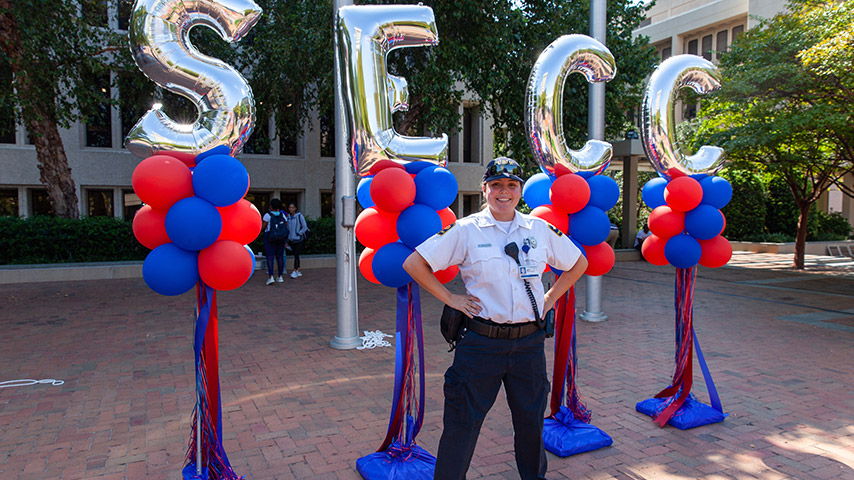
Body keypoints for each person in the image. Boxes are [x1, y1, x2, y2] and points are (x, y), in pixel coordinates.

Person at [403, 157, 588, 480]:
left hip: (528, 345)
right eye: (496, 185)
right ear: (485, 189)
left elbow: (578, 263)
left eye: (512, 185)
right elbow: (414, 264)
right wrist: (452, 299)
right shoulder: (465, 230)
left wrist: (548, 299)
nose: (504, 192)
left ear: (520, 191)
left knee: (531, 425)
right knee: (462, 426)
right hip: (480, 345)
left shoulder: (539, 228)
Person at [261, 198, 288, 285]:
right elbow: (286, 227)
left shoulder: (267, 215)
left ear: (271, 206)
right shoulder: (283, 215)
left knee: (270, 257)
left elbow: (263, 227)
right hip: (281, 239)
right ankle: (280, 276)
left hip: (270, 238)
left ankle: (271, 276)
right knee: (280, 257)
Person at [285, 202, 309, 278]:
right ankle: (298, 269)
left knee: (296, 255)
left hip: (299, 239)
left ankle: (295, 270)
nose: (291, 209)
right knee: (295, 255)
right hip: (291, 239)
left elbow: (305, 227)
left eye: (292, 207)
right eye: (290, 207)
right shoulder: (288, 217)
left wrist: (299, 233)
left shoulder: (299, 216)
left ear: (295, 208)